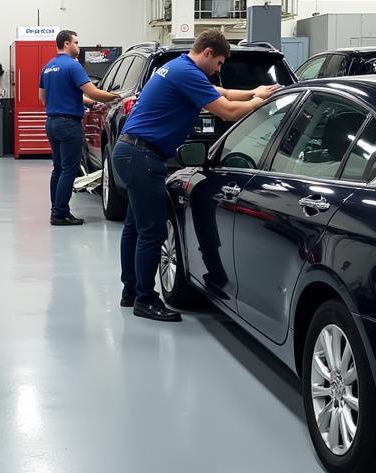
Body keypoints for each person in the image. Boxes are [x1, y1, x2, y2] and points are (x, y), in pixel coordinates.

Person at [112, 29, 278, 322]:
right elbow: (226, 110)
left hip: (130, 151)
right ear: (208, 53)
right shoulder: (186, 73)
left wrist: (255, 92)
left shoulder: (178, 67)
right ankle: (145, 299)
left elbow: (223, 93)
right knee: (152, 231)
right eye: (220, 64)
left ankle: (131, 291)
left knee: (135, 227)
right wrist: (258, 105)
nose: (219, 70)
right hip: (143, 156)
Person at [39, 30, 119, 226]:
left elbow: (43, 99)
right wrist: (115, 97)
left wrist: (86, 102)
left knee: (58, 169)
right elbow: (94, 92)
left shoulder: (48, 67)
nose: (79, 46)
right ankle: (60, 214)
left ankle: (56, 210)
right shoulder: (73, 66)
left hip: (52, 123)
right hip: (69, 125)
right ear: (66, 44)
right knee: (69, 170)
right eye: (76, 42)